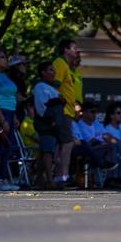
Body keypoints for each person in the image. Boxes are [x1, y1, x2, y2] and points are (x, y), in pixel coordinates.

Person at [51, 39, 82, 188]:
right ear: (66, 50)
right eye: (74, 48)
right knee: (67, 143)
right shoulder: (60, 63)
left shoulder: (65, 65)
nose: (76, 50)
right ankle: (63, 177)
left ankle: (60, 177)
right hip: (62, 111)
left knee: (62, 144)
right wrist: (60, 101)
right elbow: (53, 85)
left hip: (67, 111)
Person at [32, 62, 68, 190]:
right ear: (43, 72)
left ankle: (39, 180)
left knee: (43, 153)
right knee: (48, 152)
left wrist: (62, 101)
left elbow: (55, 105)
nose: (54, 72)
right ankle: (50, 180)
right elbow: (40, 106)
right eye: (51, 69)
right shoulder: (40, 86)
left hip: (53, 126)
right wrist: (51, 120)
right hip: (47, 126)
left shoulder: (51, 87)